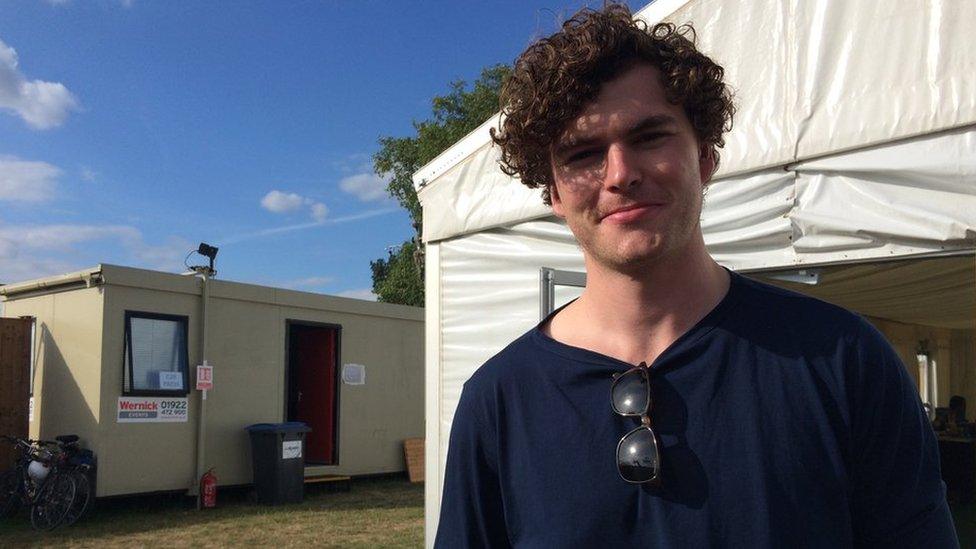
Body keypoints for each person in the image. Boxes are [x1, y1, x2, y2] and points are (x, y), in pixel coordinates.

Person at [434, 4, 958, 548]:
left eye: (650, 137)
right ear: (554, 193)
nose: (621, 174)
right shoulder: (498, 401)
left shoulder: (842, 359)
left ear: (705, 157)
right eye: (584, 153)